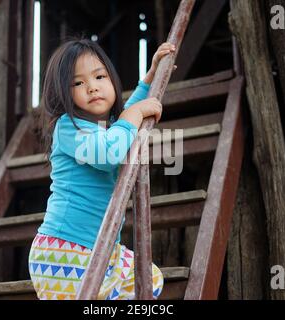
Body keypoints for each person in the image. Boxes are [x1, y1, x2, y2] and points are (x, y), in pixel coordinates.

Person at [28, 38, 176, 300]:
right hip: (64, 251)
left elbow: (123, 120)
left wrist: (149, 80)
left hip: (102, 249)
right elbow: (108, 153)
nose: (92, 87)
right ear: (62, 93)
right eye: (78, 83)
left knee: (149, 278)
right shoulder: (68, 127)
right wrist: (134, 116)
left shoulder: (105, 130)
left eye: (99, 76)